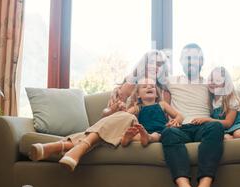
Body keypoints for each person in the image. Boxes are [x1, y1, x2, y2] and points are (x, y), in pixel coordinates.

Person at [28, 50, 172, 171]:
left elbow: (163, 120)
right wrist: (114, 109)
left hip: (136, 130)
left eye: (160, 65)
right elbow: (107, 115)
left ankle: (59, 146)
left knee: (126, 118)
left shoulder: (163, 92)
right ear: (143, 65)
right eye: (152, 63)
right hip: (117, 126)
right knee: (123, 117)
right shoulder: (128, 86)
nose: (155, 67)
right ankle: (73, 149)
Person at [160, 44, 225, 187]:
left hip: (204, 126)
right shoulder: (170, 82)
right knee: (168, 133)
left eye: (194, 57)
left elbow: (234, 98)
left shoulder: (210, 84)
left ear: (201, 61)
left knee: (216, 127)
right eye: (187, 58)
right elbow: (144, 83)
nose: (191, 61)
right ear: (181, 61)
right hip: (180, 127)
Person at [120, 77, 183, 147]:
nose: (149, 87)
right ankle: (125, 139)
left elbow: (180, 116)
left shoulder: (162, 104)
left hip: (161, 131)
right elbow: (124, 117)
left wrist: (176, 120)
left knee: (156, 135)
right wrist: (122, 110)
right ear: (138, 95)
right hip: (143, 131)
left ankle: (148, 138)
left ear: (156, 94)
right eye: (144, 87)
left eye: (152, 86)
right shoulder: (137, 108)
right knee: (136, 135)